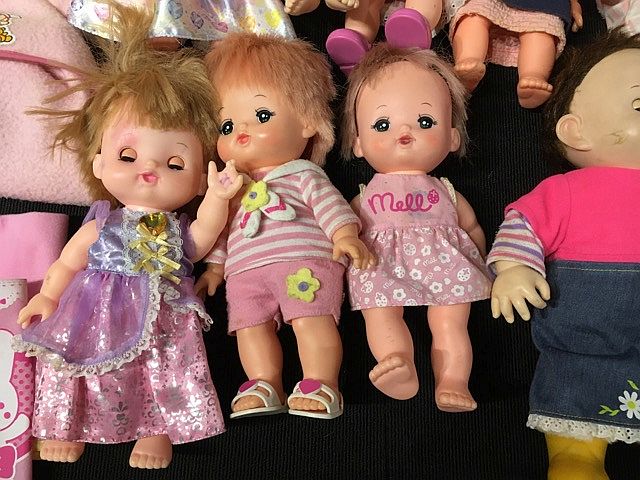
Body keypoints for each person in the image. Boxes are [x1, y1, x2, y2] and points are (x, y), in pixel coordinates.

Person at [13, 4, 242, 469]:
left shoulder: (178, 227)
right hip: (91, 309)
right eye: (127, 156)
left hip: (163, 314)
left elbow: (199, 242)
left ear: (199, 180)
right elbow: (68, 261)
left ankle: (156, 430)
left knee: (165, 367)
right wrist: (49, 296)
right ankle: (67, 424)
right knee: (76, 362)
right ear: (99, 164)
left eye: (175, 163)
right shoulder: (102, 223)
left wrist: (220, 198)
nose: (150, 169)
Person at [488, 28, 640, 480]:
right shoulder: (563, 191)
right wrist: (513, 268)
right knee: (574, 444)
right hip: (581, 347)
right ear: (576, 131)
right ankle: (575, 460)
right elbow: (522, 227)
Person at [342, 43, 492, 410]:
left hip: (445, 262)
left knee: (451, 321)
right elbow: (343, 227)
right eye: (382, 125)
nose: (405, 131)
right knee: (380, 314)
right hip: (379, 262)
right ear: (359, 143)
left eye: (426, 122)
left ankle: (454, 380)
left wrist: (483, 261)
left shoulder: (447, 191)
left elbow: (471, 226)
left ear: (452, 137)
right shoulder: (362, 197)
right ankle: (396, 361)